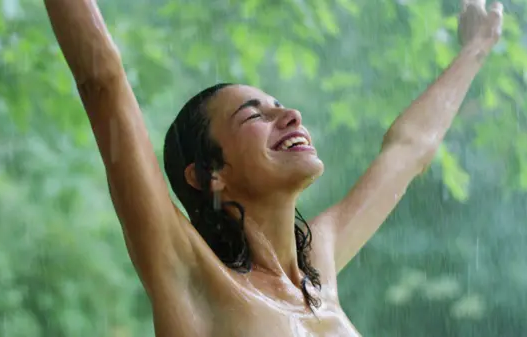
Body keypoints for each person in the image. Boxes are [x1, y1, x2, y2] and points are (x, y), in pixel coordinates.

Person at [43, 0, 503, 336]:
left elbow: (406, 153)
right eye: (253, 115)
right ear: (208, 175)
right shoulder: (188, 273)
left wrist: (477, 47)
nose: (290, 116)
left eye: (281, 105)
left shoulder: (319, 265)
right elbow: (102, 79)